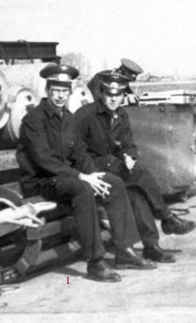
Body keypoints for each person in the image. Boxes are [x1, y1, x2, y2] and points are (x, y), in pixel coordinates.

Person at [16, 63, 155, 283]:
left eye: (64, 90)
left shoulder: (68, 118)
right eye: (56, 90)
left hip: (66, 176)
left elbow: (79, 153)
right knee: (82, 189)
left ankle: (124, 251)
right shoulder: (34, 119)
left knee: (113, 182)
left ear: (70, 91)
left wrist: (94, 174)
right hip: (42, 180)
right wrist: (82, 177)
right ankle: (95, 262)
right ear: (47, 91)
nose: (60, 96)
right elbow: (44, 160)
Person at [75, 72, 196, 263]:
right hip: (92, 167)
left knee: (136, 191)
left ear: (123, 95)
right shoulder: (85, 115)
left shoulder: (121, 114)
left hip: (114, 166)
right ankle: (166, 217)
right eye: (109, 94)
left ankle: (151, 246)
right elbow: (75, 150)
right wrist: (92, 170)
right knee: (140, 172)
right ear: (101, 93)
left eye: (118, 95)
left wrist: (130, 156)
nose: (114, 99)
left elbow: (128, 144)